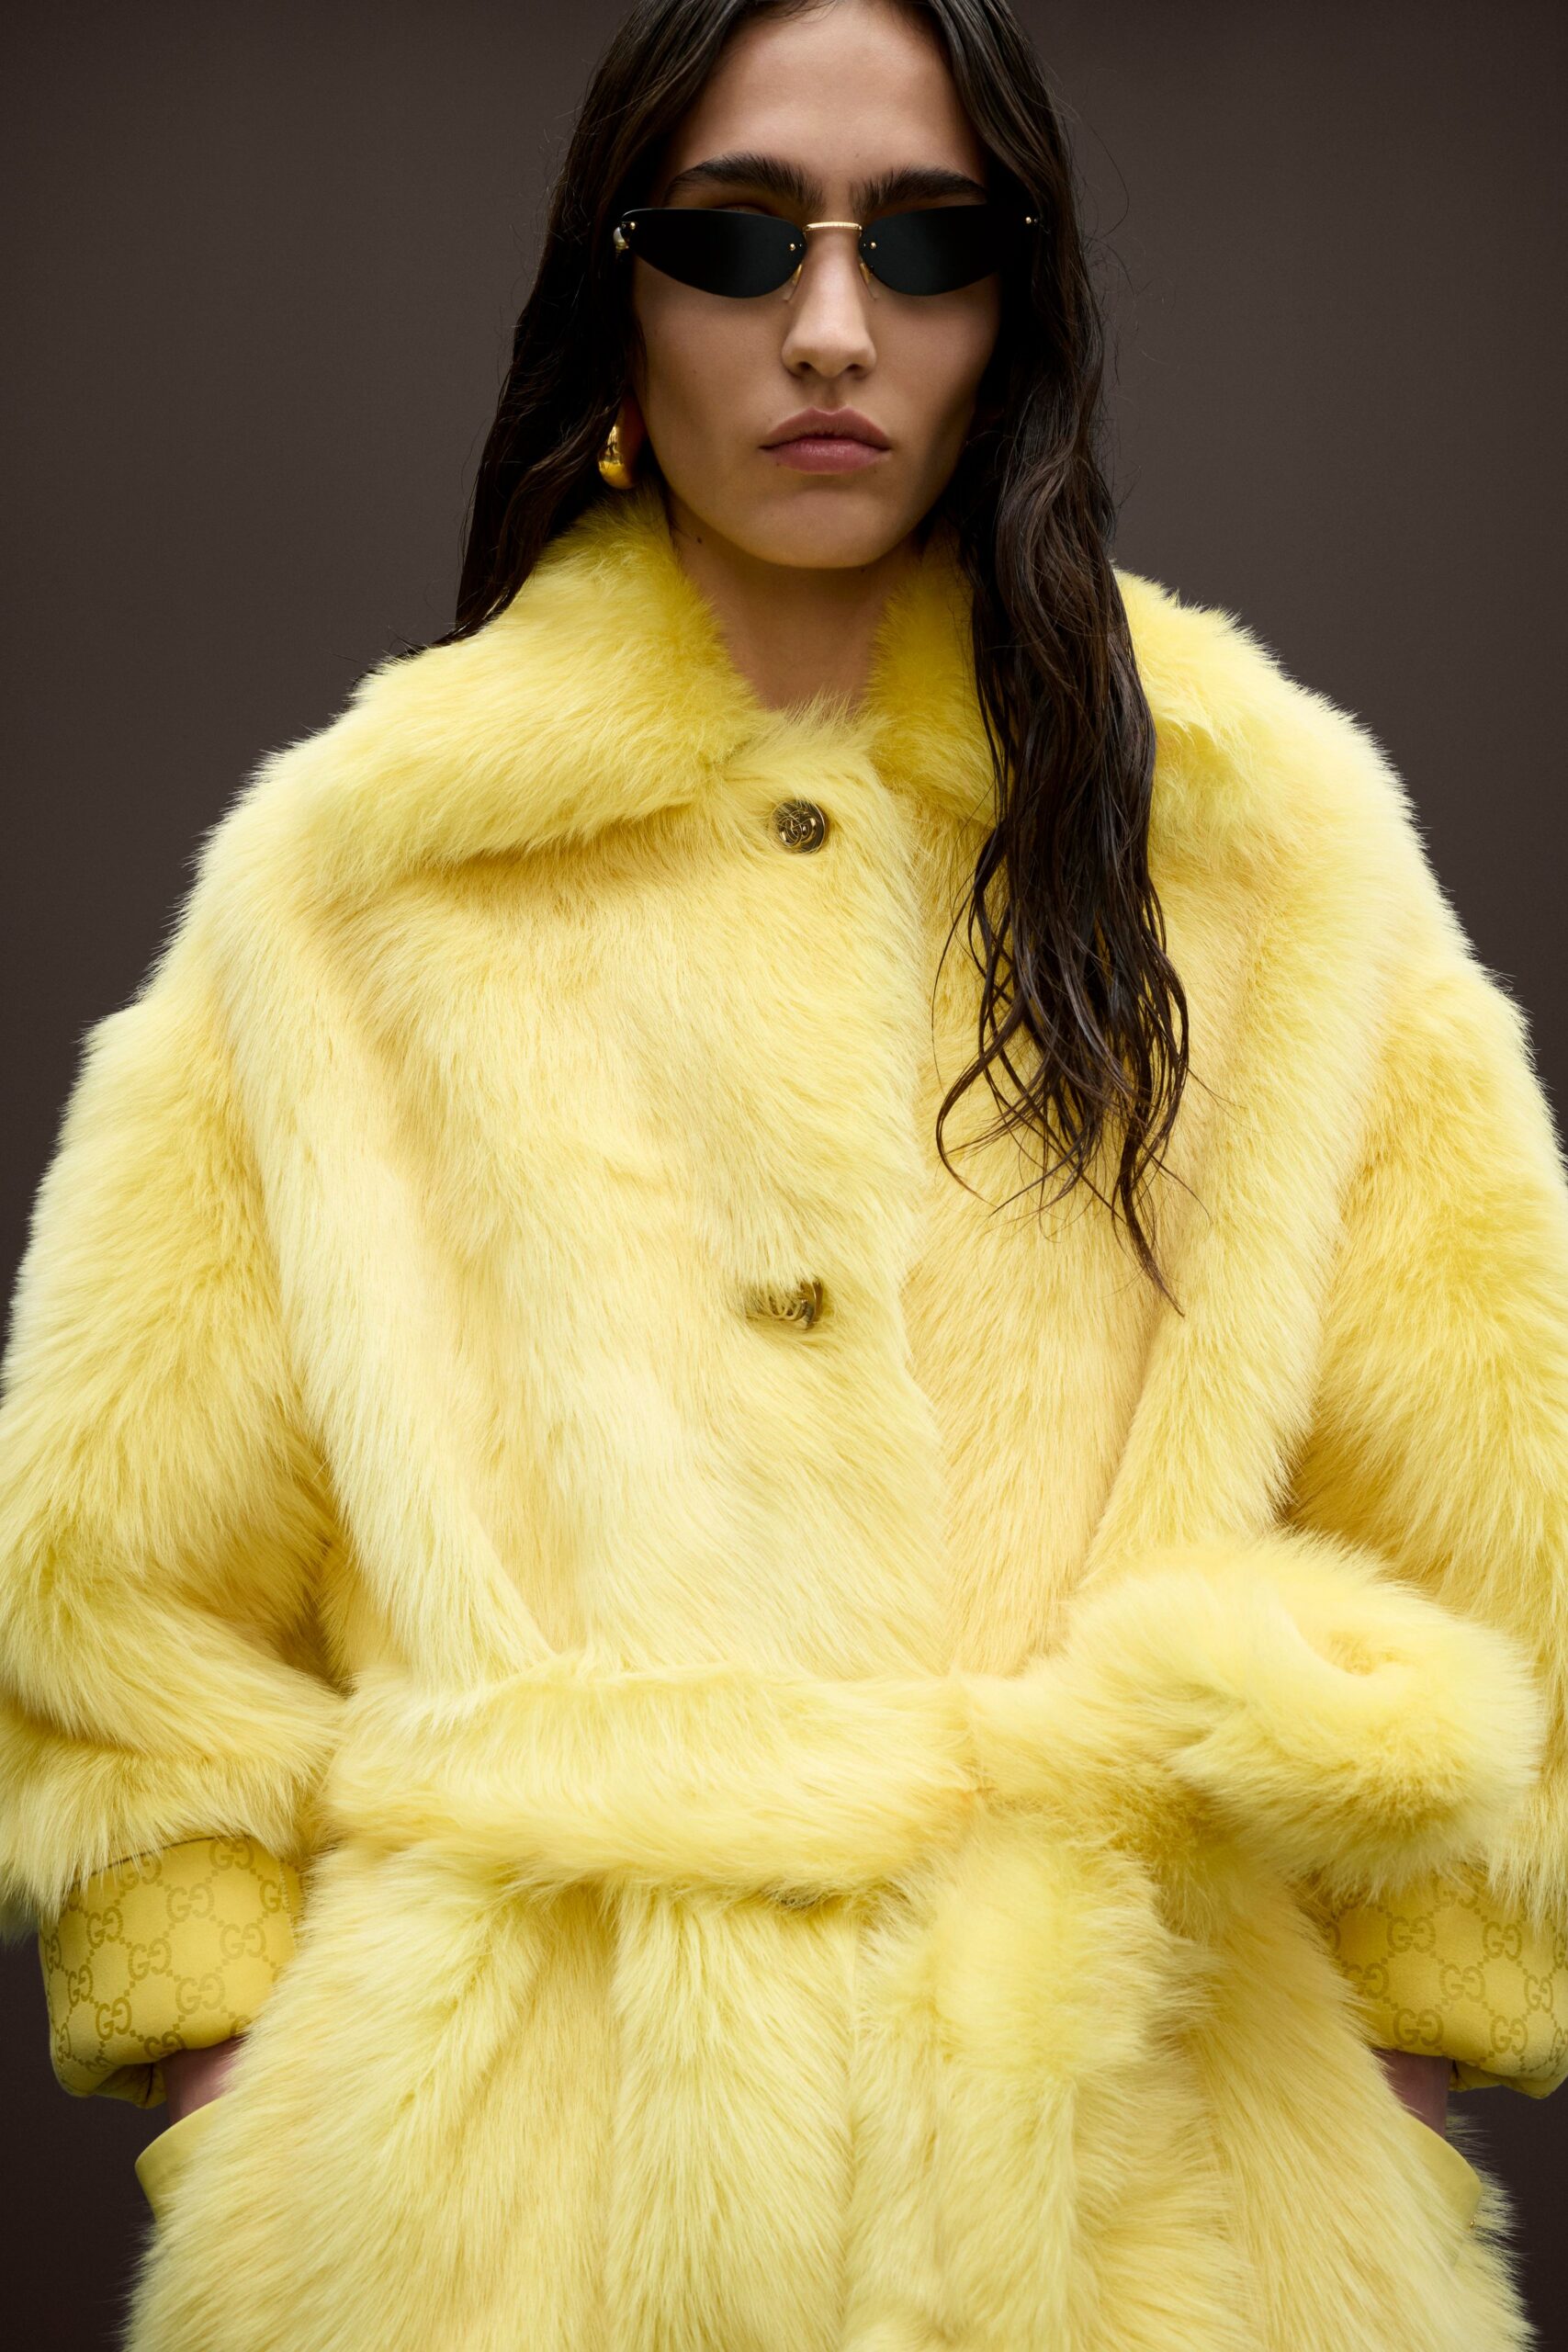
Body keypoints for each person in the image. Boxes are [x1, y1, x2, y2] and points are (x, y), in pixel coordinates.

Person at [4, 2, 1566, 2346]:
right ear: (619, 296)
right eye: (737, 238)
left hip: (1133, 2183)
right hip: (498, 2230)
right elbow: (115, 1586)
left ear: (1009, 312)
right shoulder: (355, 878)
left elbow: (1497, 1507)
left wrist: (1406, 2064)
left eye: (923, 241)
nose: (831, 325)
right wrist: (243, 2105)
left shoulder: (1262, 847)